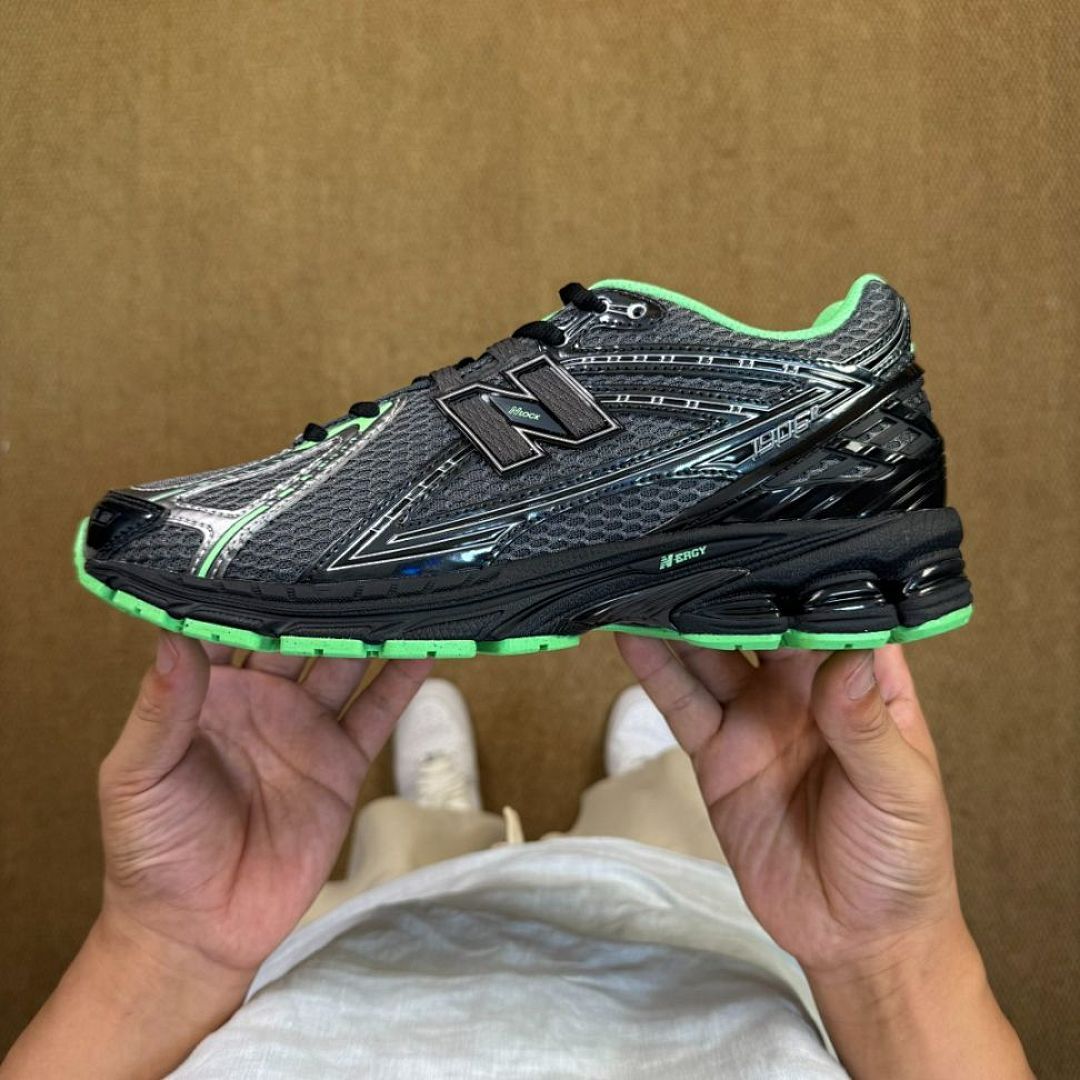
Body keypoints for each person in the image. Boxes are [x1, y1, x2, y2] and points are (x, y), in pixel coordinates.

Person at [2, 634, 1032, 1079]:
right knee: (675, 831)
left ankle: (443, 820)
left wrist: (163, 950)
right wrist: (888, 957)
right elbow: (885, 965)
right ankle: (648, 784)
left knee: (406, 862)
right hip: (700, 947)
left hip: (356, 961)